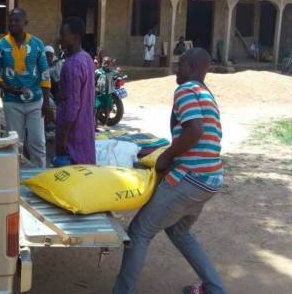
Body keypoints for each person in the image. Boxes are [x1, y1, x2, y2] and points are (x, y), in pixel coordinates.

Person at [113, 47, 227, 294]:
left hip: (191, 177)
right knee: (178, 230)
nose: (177, 67)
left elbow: (195, 130)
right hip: (211, 178)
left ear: (194, 68)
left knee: (139, 231)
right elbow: (202, 132)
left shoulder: (185, 90)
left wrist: (166, 156)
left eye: (182, 64)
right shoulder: (206, 94)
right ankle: (215, 289)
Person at [0, 7, 53, 168]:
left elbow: (45, 74)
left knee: (38, 142)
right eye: (10, 20)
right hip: (12, 102)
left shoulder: (37, 44)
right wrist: (6, 87)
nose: (12, 23)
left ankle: (40, 176)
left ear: (25, 22)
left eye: (17, 20)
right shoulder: (0, 46)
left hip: (35, 102)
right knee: (16, 144)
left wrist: (46, 103)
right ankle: (16, 178)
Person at [55, 17, 96, 164]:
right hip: (85, 126)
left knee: (71, 175)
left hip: (74, 132)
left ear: (76, 37)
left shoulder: (72, 64)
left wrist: (63, 135)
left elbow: (73, 104)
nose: (59, 38)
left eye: (63, 34)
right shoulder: (86, 58)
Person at [95, 56, 117, 128]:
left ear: (110, 64)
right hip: (100, 92)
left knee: (108, 108)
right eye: (105, 63)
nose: (106, 65)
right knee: (98, 108)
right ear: (102, 63)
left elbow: (117, 77)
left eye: (108, 63)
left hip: (109, 92)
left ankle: (106, 123)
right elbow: (93, 80)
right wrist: (95, 88)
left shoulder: (112, 72)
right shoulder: (98, 71)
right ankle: (95, 123)